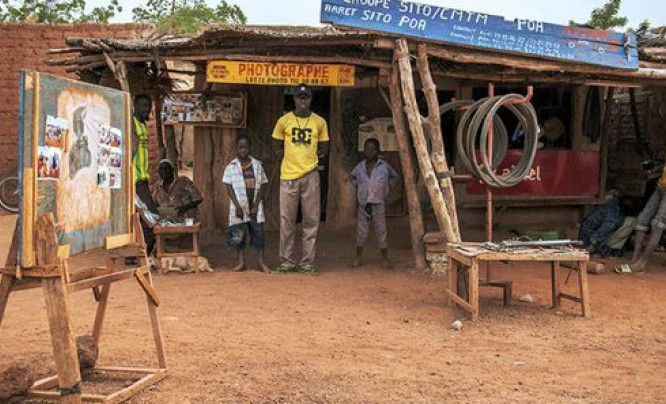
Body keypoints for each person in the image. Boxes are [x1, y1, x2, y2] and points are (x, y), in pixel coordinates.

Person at [272, 83, 329, 274]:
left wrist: (311, 159)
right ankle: (286, 262)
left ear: (311, 99)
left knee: (311, 221)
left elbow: (324, 147)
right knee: (287, 220)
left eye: (306, 97)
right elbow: (276, 143)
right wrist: (285, 155)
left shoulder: (319, 122)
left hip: (310, 176)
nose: (303, 101)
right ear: (294, 99)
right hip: (288, 176)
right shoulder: (284, 121)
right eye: (299, 97)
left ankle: (307, 263)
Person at [222, 136, 270, 272]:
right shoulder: (231, 167)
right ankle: (241, 262)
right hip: (239, 206)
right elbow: (229, 188)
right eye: (240, 147)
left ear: (250, 148)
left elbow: (262, 185)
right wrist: (237, 206)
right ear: (236, 149)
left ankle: (261, 262)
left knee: (259, 234)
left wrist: (256, 205)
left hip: (254, 206)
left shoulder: (257, 165)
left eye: (245, 147)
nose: (243, 150)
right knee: (239, 234)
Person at [350, 138, 398, 268]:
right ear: (364, 151)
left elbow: (394, 177)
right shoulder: (359, 167)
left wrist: (386, 189)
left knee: (381, 230)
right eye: (367, 149)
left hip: (378, 203)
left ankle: (385, 259)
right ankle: (358, 258)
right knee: (361, 231)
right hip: (364, 204)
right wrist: (359, 188)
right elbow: (353, 177)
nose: (370, 152)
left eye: (373, 149)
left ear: (378, 151)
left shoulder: (384, 166)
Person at [616, 165, 666, 275]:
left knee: (657, 225)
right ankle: (634, 260)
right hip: (661, 186)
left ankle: (641, 263)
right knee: (641, 221)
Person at [132, 94, 158, 257]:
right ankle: (141, 254)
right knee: (150, 217)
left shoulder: (142, 124)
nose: (146, 109)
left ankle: (139, 253)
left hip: (142, 178)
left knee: (142, 218)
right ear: (135, 106)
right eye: (142, 105)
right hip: (134, 179)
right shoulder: (132, 124)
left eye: (148, 106)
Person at [578, 190, 624, 257]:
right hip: (589, 240)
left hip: (585, 239)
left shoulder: (604, 207)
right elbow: (608, 226)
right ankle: (600, 250)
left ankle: (597, 249)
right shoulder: (612, 208)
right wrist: (606, 251)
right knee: (631, 221)